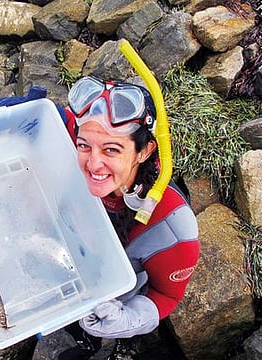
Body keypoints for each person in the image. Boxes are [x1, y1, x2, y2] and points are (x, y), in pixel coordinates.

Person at [57, 76, 200, 359]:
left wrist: (129, 320)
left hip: (120, 300)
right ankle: (86, 342)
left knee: (120, 330)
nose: (93, 164)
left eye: (112, 150)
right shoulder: (73, 140)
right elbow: (58, 118)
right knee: (79, 329)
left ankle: (125, 346)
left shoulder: (172, 226)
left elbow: (167, 295)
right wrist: (18, 115)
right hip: (70, 275)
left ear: (145, 151)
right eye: (84, 145)